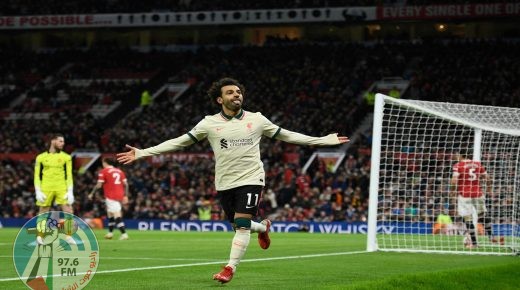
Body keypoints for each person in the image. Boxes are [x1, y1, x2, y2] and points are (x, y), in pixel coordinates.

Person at [117, 77, 349, 283]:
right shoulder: (208, 123)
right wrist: (143, 152)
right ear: (220, 100)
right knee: (240, 225)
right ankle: (263, 227)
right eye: (230, 92)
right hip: (225, 182)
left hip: (252, 177)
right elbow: (179, 141)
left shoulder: (257, 119)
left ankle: (229, 268)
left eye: (238, 92)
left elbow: (288, 135)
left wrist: (323, 140)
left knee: (241, 224)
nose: (236, 95)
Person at [450, 150, 502, 248]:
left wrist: (452, 190)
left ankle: (474, 243)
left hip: (465, 195)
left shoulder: (458, 165)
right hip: (478, 194)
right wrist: (490, 189)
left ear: (460, 155)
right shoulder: (478, 165)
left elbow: (454, 180)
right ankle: (491, 237)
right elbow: (487, 178)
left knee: (468, 218)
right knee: (482, 215)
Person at [88, 157, 129, 240]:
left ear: (105, 162)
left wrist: (92, 193)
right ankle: (110, 233)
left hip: (111, 195)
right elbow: (126, 184)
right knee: (110, 213)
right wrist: (126, 195)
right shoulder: (119, 171)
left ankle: (124, 234)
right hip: (120, 195)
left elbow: (99, 185)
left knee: (116, 214)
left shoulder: (103, 171)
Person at [34, 133, 74, 214]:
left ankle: (69, 227)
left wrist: (70, 191)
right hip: (46, 186)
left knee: (69, 211)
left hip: (62, 186)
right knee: (43, 211)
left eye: (63, 142)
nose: (63, 143)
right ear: (53, 141)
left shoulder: (67, 157)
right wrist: (38, 190)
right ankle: (40, 227)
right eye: (60, 141)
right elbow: (36, 176)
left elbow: (69, 175)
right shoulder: (40, 157)